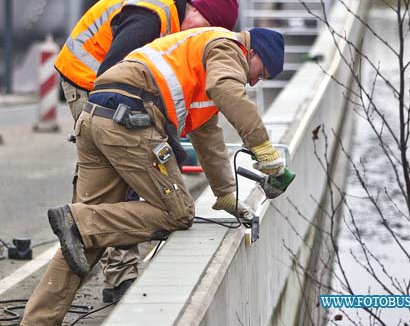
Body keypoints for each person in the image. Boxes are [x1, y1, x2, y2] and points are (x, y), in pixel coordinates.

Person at [22, 27, 288, 325]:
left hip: (94, 116)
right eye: (259, 72)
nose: (253, 82)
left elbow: (208, 137)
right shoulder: (226, 48)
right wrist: (264, 149)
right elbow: (226, 89)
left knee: (83, 240)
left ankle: (37, 322)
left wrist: (225, 195)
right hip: (131, 121)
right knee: (177, 213)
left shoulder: (198, 53)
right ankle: (79, 220)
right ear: (252, 52)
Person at [52, 0, 239, 303]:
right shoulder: (152, 18)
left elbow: (205, 130)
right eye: (203, 30)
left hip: (109, 85)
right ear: (196, 12)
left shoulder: (183, 38)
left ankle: (113, 272)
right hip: (89, 80)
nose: (201, 39)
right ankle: (107, 268)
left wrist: (225, 192)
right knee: (120, 170)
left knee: (130, 171)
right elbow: (111, 77)